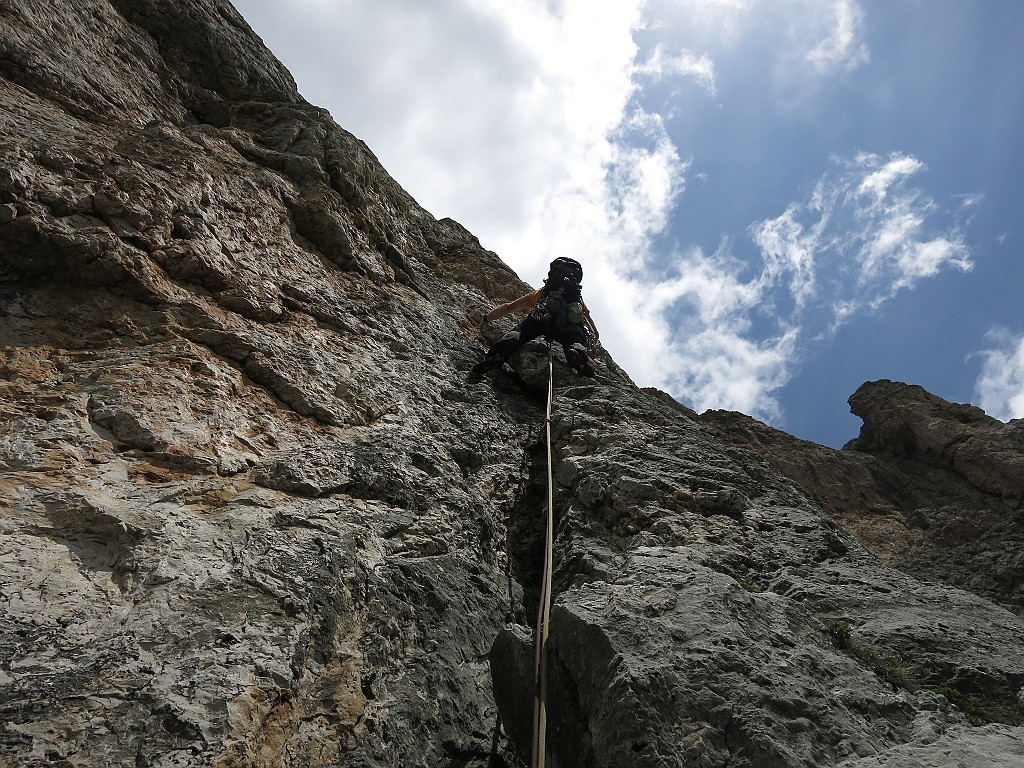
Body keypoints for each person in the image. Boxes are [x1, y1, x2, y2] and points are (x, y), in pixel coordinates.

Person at [472, 257, 600, 379]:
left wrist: (486, 318)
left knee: (520, 332)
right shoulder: (576, 298)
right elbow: (593, 330)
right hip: (568, 326)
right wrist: (591, 348)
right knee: (574, 337)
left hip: (541, 320)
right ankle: (577, 352)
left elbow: (508, 307)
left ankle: (498, 353)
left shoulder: (542, 293)